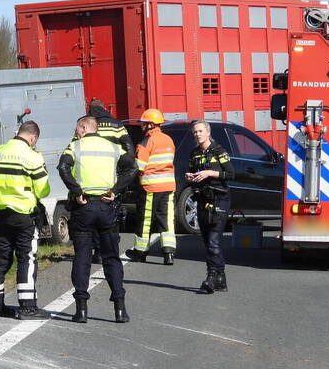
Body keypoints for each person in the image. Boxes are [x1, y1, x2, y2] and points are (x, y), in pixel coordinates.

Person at [58, 115, 137, 323]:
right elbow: (132, 167)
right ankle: (120, 309)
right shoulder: (112, 147)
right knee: (111, 257)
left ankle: (81, 310)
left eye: (77, 129)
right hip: (106, 206)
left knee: (83, 258)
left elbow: (63, 168)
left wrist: (76, 190)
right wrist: (116, 190)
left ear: (84, 128)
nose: (76, 133)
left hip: (84, 206)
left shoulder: (75, 146)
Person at [0, 120, 51, 319]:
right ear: (33, 138)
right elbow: (43, 190)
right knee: (27, 258)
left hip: (2, 215)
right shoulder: (32, 157)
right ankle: (28, 306)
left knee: (1, 257)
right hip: (24, 216)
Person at [185, 119, 235, 293]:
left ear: (208, 132)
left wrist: (210, 172)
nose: (197, 134)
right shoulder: (194, 154)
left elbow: (231, 173)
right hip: (202, 199)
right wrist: (190, 177)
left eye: (200, 131)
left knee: (214, 241)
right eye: (195, 132)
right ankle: (221, 279)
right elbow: (192, 173)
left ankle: (211, 278)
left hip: (219, 199)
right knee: (208, 242)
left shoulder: (219, 151)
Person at [125, 108, 177, 265]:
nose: (141, 126)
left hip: (150, 188)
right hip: (168, 187)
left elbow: (139, 167)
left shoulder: (145, 143)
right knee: (166, 219)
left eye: (144, 124)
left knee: (145, 220)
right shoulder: (168, 140)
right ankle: (169, 253)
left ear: (151, 125)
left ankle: (140, 252)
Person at [85, 99, 133, 264]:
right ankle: (112, 248)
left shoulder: (87, 124)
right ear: (104, 108)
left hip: (90, 176)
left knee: (93, 216)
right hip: (113, 176)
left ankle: (98, 251)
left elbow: (76, 146)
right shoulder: (117, 125)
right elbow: (129, 150)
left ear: (90, 109)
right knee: (113, 213)